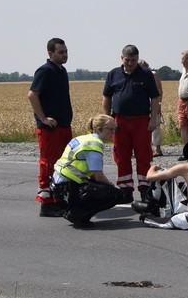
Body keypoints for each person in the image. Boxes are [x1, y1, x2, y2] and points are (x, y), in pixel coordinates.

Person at [102, 45, 161, 202]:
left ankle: (145, 189)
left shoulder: (146, 74)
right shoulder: (113, 74)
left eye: (133, 60)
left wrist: (153, 119)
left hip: (141, 121)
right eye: (127, 60)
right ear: (122, 58)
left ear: (137, 59)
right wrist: (107, 119)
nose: (130, 63)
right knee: (121, 156)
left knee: (143, 156)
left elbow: (155, 98)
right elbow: (106, 98)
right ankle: (125, 189)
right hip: (119, 122)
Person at [52, 115, 127, 226]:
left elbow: (91, 173)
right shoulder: (94, 144)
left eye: (115, 129)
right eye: (111, 129)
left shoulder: (84, 138)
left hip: (60, 184)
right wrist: (111, 186)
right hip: (67, 186)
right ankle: (77, 214)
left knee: (99, 187)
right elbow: (98, 176)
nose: (113, 132)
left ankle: (73, 208)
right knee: (115, 194)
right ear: (99, 129)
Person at [27, 38, 73, 217]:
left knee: (62, 164)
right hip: (50, 129)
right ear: (50, 53)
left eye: (66, 51)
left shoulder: (61, 71)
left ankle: (58, 199)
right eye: (61, 52)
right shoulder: (45, 71)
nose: (65, 55)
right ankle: (46, 203)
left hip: (63, 126)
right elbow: (32, 95)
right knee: (49, 163)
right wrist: (43, 118)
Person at [139, 60, 165, 156]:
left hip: (153, 104)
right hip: (143, 105)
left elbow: (159, 90)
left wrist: (158, 104)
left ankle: (157, 149)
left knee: (155, 126)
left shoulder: (153, 75)